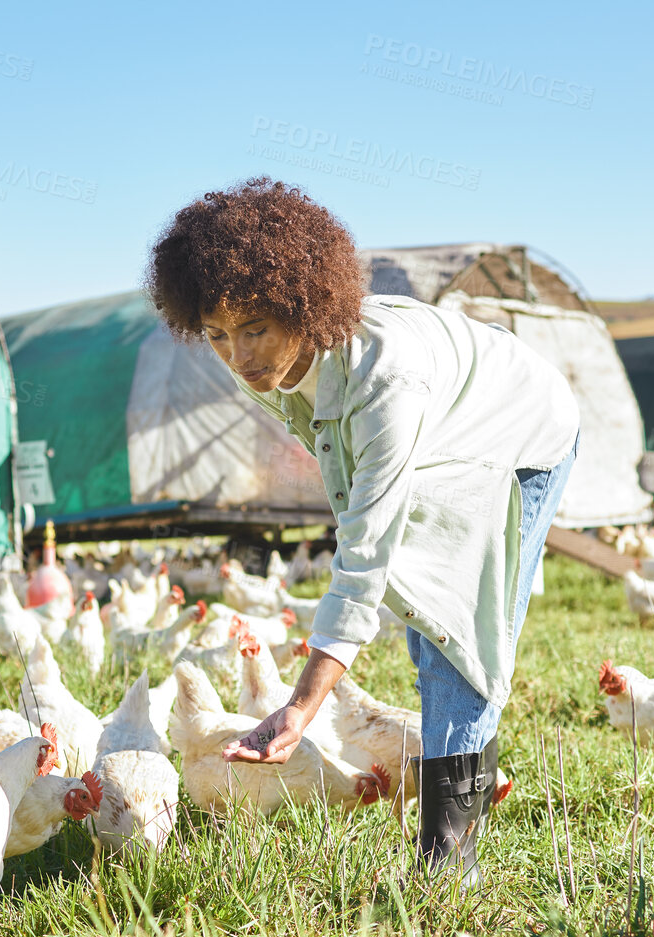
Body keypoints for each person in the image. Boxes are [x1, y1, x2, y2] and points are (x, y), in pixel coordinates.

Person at [144, 178, 580, 885]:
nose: (238, 355)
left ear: (299, 306)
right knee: (421, 610)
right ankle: (447, 829)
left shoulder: (386, 381)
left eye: (254, 328)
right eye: (217, 335)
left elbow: (366, 548)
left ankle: (447, 863)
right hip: (447, 414)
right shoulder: (268, 362)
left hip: (518, 427)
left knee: (460, 625)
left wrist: (301, 704)